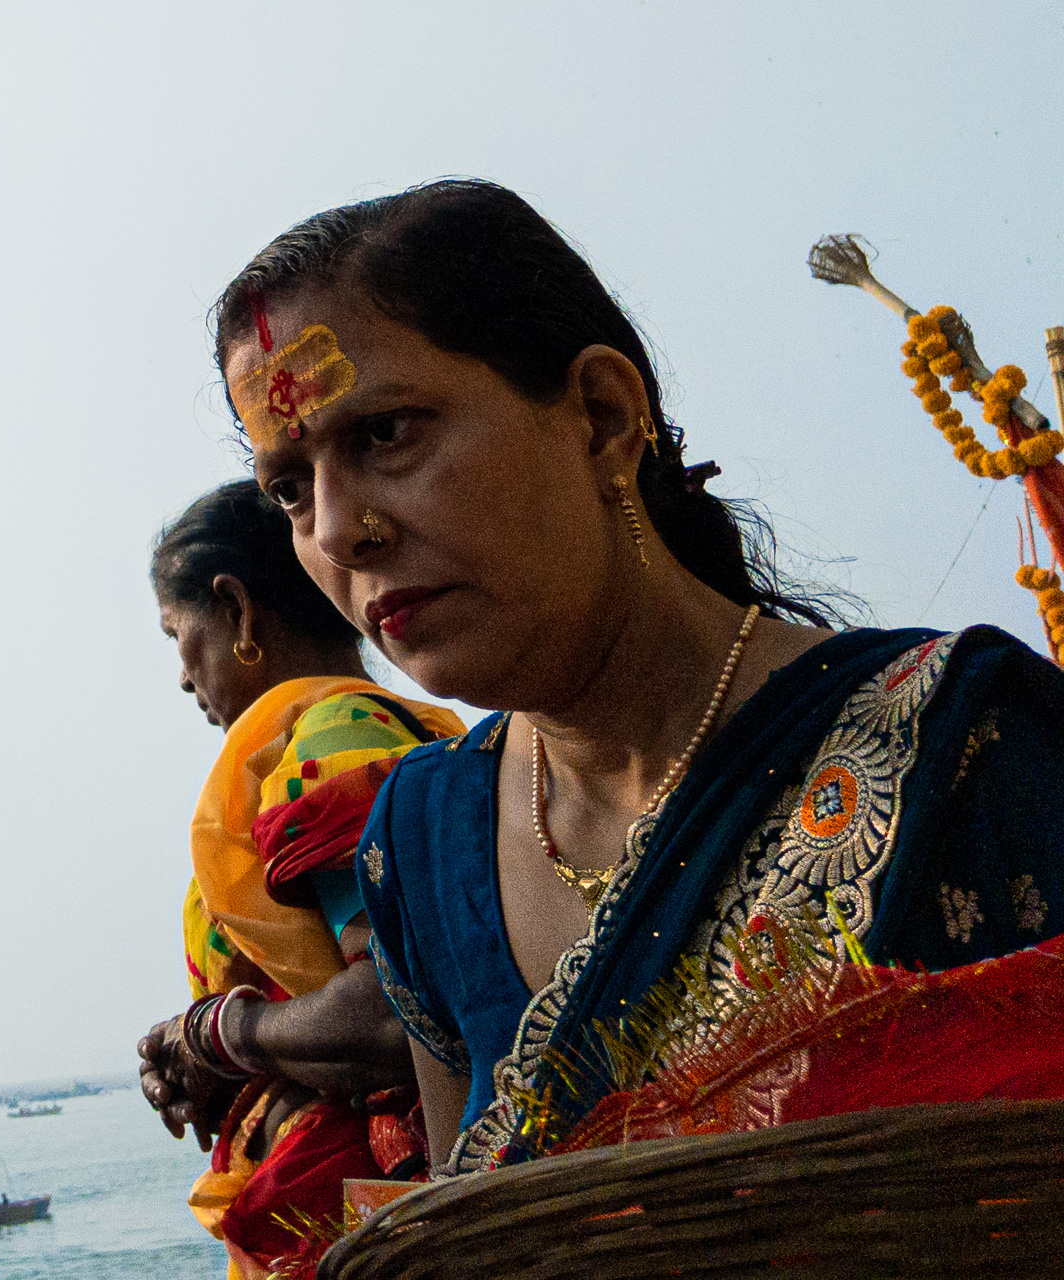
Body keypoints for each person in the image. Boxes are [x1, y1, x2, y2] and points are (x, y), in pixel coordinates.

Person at [210, 178, 1064, 1178]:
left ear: (603, 415)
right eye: (289, 487)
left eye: (386, 433)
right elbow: (466, 1234)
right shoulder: (421, 841)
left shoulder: (958, 741)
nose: (336, 530)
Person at [135, 481, 463, 1277]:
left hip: (382, 1229)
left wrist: (215, 1036)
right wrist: (211, 1070)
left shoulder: (334, 742)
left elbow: (395, 1016)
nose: (182, 677)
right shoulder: (352, 735)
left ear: (237, 609)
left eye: (178, 634)